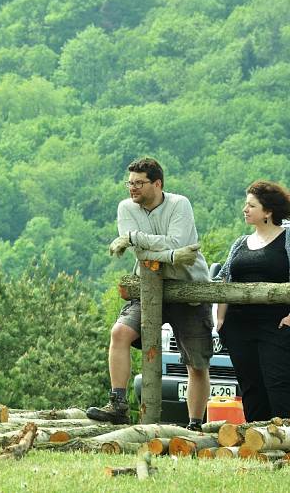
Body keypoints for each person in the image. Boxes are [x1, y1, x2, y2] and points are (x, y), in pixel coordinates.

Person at [86, 157, 212, 429]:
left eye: (138, 183)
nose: (132, 189)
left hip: (188, 287)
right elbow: (142, 251)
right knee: (120, 333)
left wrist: (135, 237)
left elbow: (177, 241)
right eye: (129, 183)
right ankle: (118, 404)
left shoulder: (180, 204)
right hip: (148, 286)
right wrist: (170, 254)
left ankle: (194, 424)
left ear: (157, 183)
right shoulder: (126, 208)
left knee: (196, 362)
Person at [215, 180, 290, 421]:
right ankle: (258, 446)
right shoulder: (239, 243)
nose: (245, 210)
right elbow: (224, 279)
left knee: (278, 385)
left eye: (251, 206)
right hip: (239, 327)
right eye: (245, 205)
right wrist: (221, 320)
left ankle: (285, 444)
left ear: (268, 211)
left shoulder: (287, 239)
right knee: (250, 387)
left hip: (276, 325)